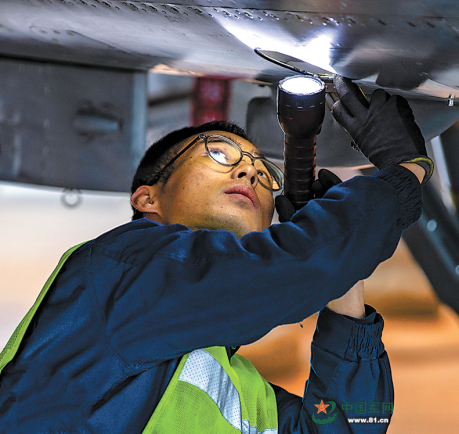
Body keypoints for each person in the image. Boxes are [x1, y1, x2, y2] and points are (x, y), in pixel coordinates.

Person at [0, 76, 433, 433]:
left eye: (265, 174)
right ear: (147, 199)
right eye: (219, 154)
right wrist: (404, 173)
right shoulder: (123, 269)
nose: (249, 169)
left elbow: (350, 424)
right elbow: (282, 271)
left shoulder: (242, 394)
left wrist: (345, 274)